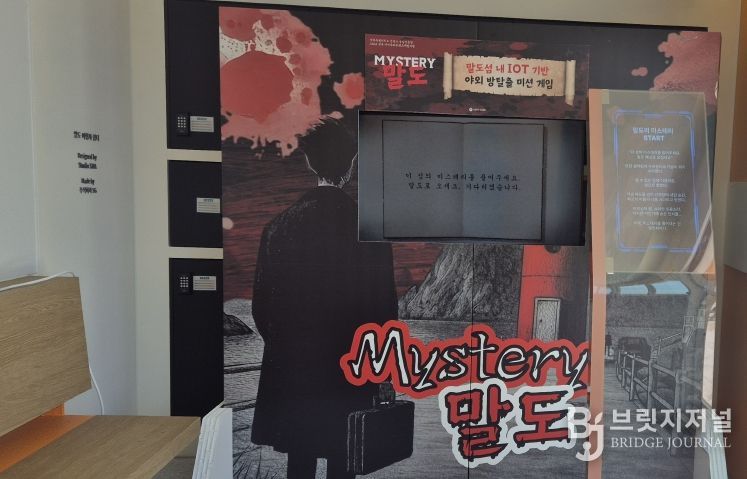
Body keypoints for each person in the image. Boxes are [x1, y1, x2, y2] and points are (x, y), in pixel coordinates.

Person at [250, 118, 398, 479]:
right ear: (350, 165)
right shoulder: (370, 231)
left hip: (296, 374)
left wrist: (290, 349)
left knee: (299, 459)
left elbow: (262, 308)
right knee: (344, 457)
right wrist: (383, 373)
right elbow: (383, 313)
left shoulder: (278, 227)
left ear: (309, 162)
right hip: (350, 372)